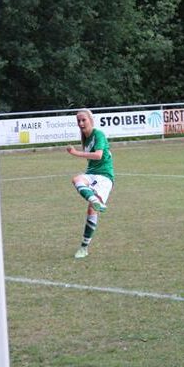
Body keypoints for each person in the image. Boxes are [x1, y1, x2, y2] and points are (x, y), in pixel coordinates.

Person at [66, 108, 115, 259]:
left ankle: (84, 247)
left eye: (83, 120)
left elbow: (99, 155)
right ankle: (94, 200)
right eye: (78, 121)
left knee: (91, 211)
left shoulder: (98, 134)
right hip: (92, 174)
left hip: (104, 176)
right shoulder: (85, 138)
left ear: (91, 120)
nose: (81, 123)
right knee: (76, 179)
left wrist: (76, 153)